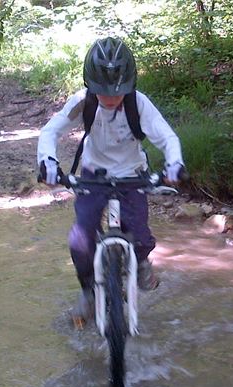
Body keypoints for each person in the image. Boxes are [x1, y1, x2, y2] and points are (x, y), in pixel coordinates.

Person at [36, 37, 185, 328]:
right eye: (102, 93)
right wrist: (49, 162)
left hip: (133, 174)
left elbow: (166, 137)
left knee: (140, 234)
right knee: (81, 238)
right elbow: (51, 131)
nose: (110, 99)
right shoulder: (83, 101)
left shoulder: (139, 104)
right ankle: (88, 291)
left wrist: (175, 163)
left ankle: (141, 262)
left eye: (117, 93)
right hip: (94, 173)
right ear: (90, 84)